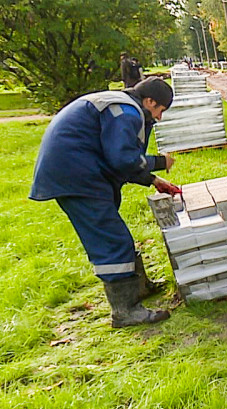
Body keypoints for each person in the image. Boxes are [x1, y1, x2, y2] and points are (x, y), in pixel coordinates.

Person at [29, 77, 181, 328]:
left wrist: (153, 180)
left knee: (114, 233)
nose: (159, 118)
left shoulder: (119, 105)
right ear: (150, 101)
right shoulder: (126, 111)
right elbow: (122, 158)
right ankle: (125, 312)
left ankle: (139, 289)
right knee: (111, 239)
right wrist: (159, 162)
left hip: (77, 172)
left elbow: (115, 156)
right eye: (160, 111)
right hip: (76, 177)